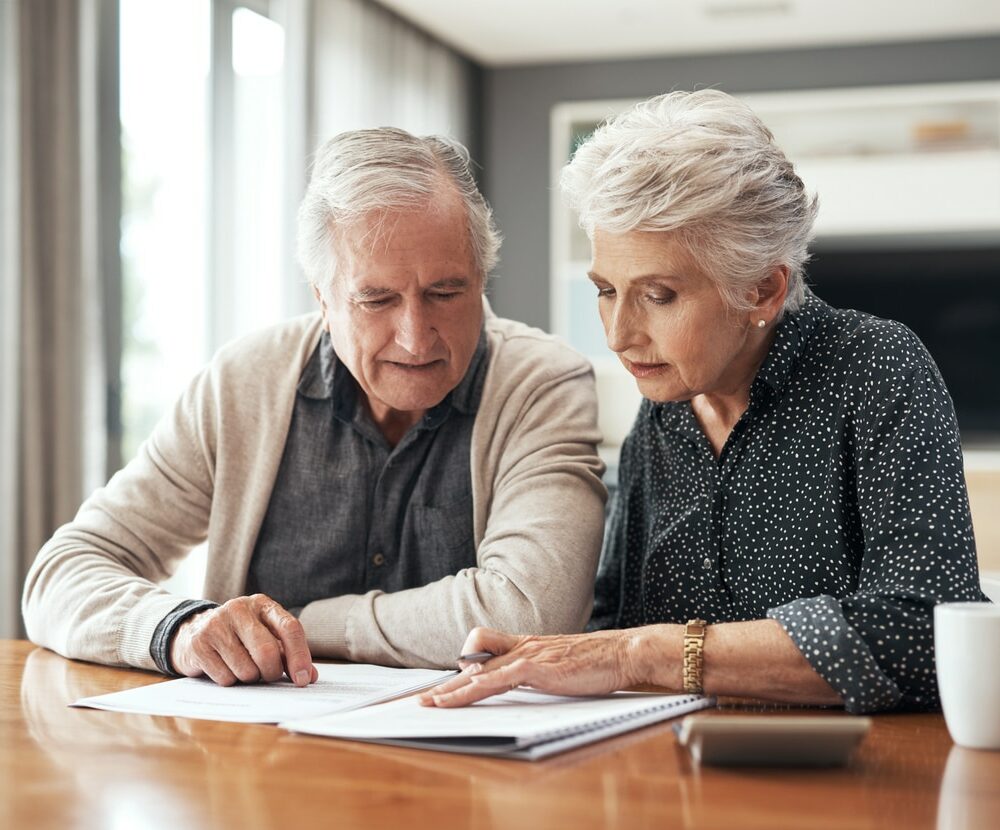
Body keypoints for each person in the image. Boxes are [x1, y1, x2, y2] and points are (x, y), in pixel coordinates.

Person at [420, 90, 987, 715]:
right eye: (607, 290)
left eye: (659, 295)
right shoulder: (661, 411)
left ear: (763, 290)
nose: (618, 334)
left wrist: (644, 654)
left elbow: (924, 633)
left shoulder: (878, 370)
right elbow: (620, 616)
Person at [22, 128, 606, 687]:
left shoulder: (541, 384)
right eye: (377, 299)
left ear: (482, 279)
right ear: (323, 298)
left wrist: (304, 623)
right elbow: (63, 573)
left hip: (474, 773)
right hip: (267, 765)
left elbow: (530, 612)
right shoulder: (242, 385)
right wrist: (184, 629)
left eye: (445, 293)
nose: (416, 336)